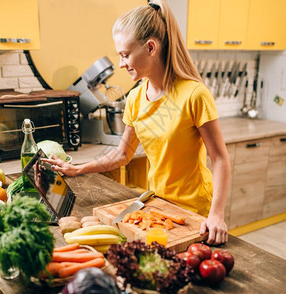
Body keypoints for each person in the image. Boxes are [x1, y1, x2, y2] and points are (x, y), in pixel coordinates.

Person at [44, 0, 231, 245]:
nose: (121, 64)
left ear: (151, 47)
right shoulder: (135, 98)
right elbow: (122, 154)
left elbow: (219, 158)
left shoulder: (194, 95)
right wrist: (76, 169)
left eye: (125, 55)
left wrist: (216, 214)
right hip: (157, 205)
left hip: (195, 212)